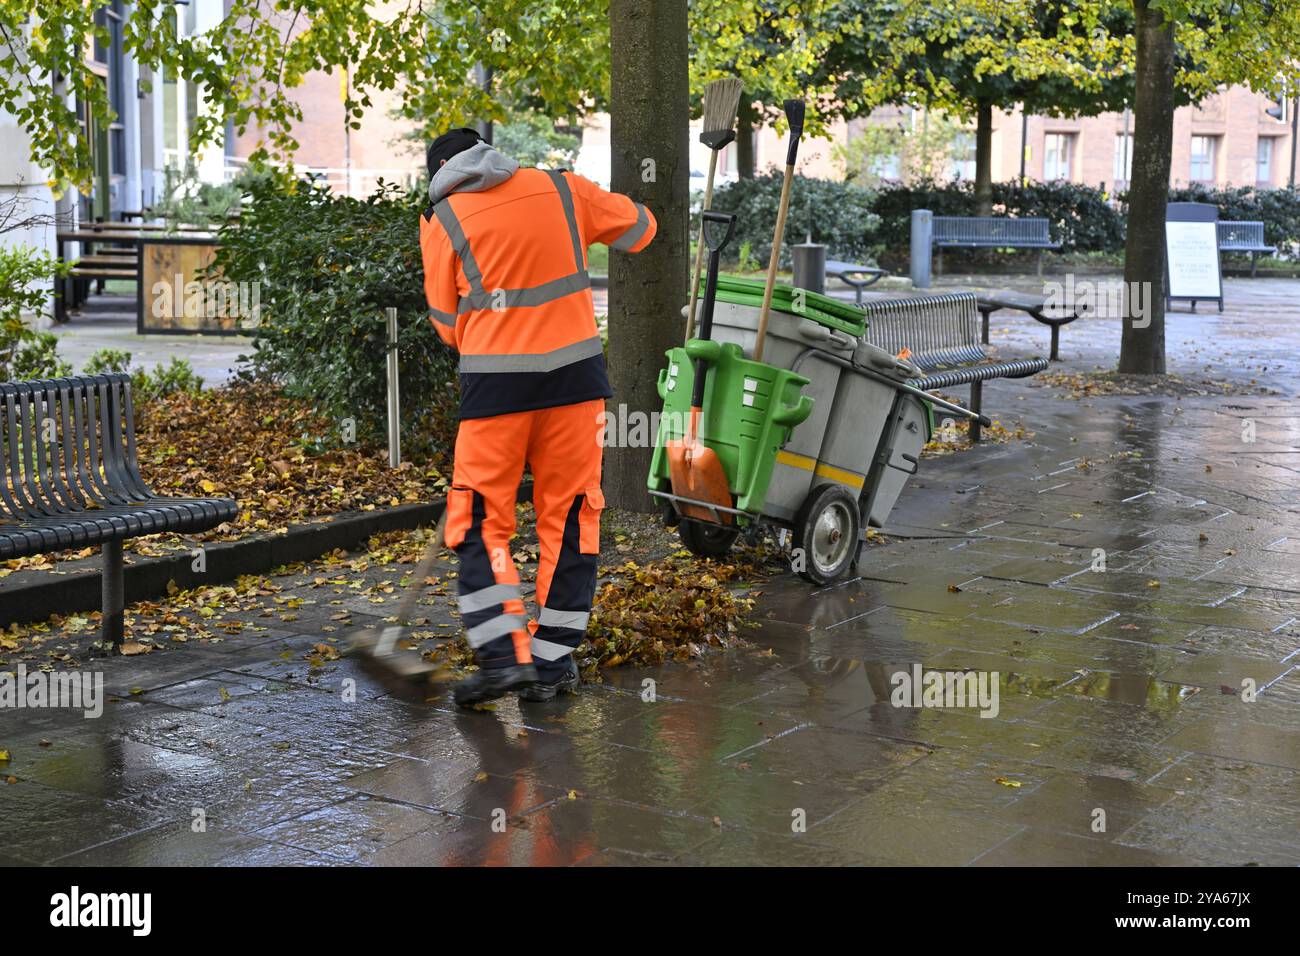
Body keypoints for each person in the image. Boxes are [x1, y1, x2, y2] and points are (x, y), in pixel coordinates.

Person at [420, 127, 657, 707]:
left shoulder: (442, 221)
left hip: (496, 391)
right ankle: (551, 663)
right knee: (572, 513)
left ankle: (504, 658)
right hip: (576, 383)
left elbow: (447, 326)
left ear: (442, 172)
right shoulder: (561, 190)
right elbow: (641, 229)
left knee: (480, 521)